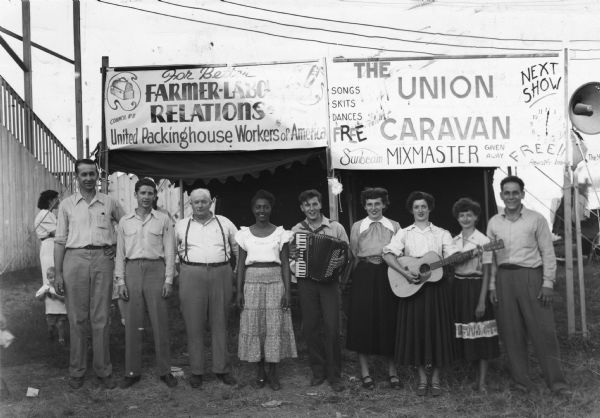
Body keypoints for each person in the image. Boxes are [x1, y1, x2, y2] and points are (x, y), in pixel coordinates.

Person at [487, 176, 569, 395]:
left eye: (515, 192)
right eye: (507, 192)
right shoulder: (494, 222)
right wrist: (492, 286)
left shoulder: (536, 219)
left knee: (543, 331)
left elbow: (548, 253)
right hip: (504, 278)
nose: (511, 196)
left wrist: (548, 283)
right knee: (511, 333)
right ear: (502, 195)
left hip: (531, 276)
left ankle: (557, 383)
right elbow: (491, 258)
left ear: (523, 194)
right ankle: (522, 383)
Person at [54, 159, 123, 390]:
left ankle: (104, 370)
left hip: (103, 259)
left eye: (92, 174)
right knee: (77, 317)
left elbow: (126, 227)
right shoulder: (66, 205)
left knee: (101, 316)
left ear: (98, 175)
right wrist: (58, 274)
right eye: (83, 174)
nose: (88, 178)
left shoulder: (110, 202)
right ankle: (77, 370)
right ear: (77, 177)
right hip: (74, 259)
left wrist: (116, 246)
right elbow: (60, 240)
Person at [383, 191, 458, 397]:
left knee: (437, 331)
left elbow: (451, 257)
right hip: (413, 287)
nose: (420, 210)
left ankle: (435, 378)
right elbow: (388, 254)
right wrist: (404, 272)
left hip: (436, 287)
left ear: (430, 208)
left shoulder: (441, 233)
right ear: (411, 210)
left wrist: (462, 255)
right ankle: (422, 378)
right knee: (416, 331)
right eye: (416, 207)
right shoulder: (404, 233)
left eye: (424, 206)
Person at [115, 178, 177, 389]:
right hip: (132, 269)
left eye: (150, 193)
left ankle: (165, 370)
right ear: (136, 195)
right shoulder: (125, 221)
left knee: (160, 322)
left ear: (154, 196)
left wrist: (169, 279)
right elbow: (119, 253)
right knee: (132, 322)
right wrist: (121, 281)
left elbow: (170, 250)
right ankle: (132, 371)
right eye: (142, 193)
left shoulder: (163, 219)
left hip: (156, 269)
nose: (146, 197)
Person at [175, 188, 237, 389]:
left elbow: (238, 248)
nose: (200, 205)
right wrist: (179, 273)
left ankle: (222, 369)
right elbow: (172, 251)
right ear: (190, 204)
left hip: (221, 273)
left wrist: (234, 271)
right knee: (194, 324)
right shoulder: (181, 225)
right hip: (191, 274)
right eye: (195, 202)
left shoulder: (224, 222)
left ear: (211, 202)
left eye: (204, 201)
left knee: (220, 321)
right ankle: (197, 371)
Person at [236, 190, 297, 391]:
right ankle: (260, 369)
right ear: (253, 210)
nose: (262, 210)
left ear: (271, 209)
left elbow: (286, 265)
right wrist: (239, 292)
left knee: (274, 326)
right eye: (258, 207)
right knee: (256, 326)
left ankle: (273, 371)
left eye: (266, 207)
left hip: (275, 281)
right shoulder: (244, 234)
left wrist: (287, 292)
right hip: (251, 283)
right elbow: (241, 266)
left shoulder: (281, 233)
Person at [291, 189, 349, 392]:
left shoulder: (336, 227)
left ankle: (335, 374)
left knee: (333, 328)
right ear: (302, 208)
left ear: (321, 205)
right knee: (311, 327)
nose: (311, 208)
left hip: (330, 283)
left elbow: (347, 255)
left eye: (315, 204)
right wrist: (297, 264)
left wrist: (340, 262)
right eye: (307, 205)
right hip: (306, 282)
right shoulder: (297, 229)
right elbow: (291, 257)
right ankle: (318, 371)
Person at [346, 187, 401, 390]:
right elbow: (353, 253)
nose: (373, 208)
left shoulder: (394, 226)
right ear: (364, 206)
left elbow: (399, 252)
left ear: (384, 204)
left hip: (388, 274)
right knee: (363, 320)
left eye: (377, 203)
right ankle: (365, 372)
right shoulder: (357, 226)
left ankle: (392, 371)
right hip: (365, 274)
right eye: (369, 204)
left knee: (389, 319)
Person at [451, 198, 499, 393]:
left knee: (481, 334)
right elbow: (452, 264)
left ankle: (482, 382)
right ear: (457, 218)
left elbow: (487, 271)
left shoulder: (484, 241)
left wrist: (482, 301)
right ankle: (473, 378)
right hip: (459, 288)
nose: (465, 218)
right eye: (462, 215)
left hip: (477, 286)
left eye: (469, 215)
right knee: (467, 334)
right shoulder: (453, 241)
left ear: (476, 217)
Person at [34, 190, 67, 344]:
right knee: (51, 279)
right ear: (50, 200)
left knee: (58, 278)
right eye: (56, 199)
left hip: (53, 247)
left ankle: (59, 318)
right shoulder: (45, 214)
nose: (58, 201)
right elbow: (58, 233)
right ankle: (53, 320)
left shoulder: (49, 214)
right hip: (49, 248)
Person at [35, 267, 67, 344]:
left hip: (61, 311)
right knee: (51, 326)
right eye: (50, 278)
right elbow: (38, 298)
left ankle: (61, 339)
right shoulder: (46, 287)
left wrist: (56, 296)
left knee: (60, 324)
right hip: (50, 312)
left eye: (54, 278)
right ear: (47, 278)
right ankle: (50, 333)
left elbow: (65, 299)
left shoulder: (61, 288)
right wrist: (44, 293)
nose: (52, 279)